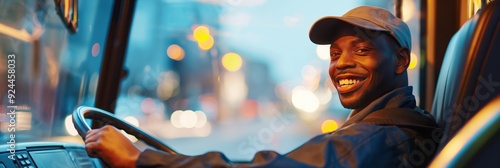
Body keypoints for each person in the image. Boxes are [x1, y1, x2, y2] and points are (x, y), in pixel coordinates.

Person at [85, 6, 439, 167]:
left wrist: (138, 158)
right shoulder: (396, 124)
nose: (341, 63)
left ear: (400, 61)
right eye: (334, 53)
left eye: (361, 50)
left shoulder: (371, 140)